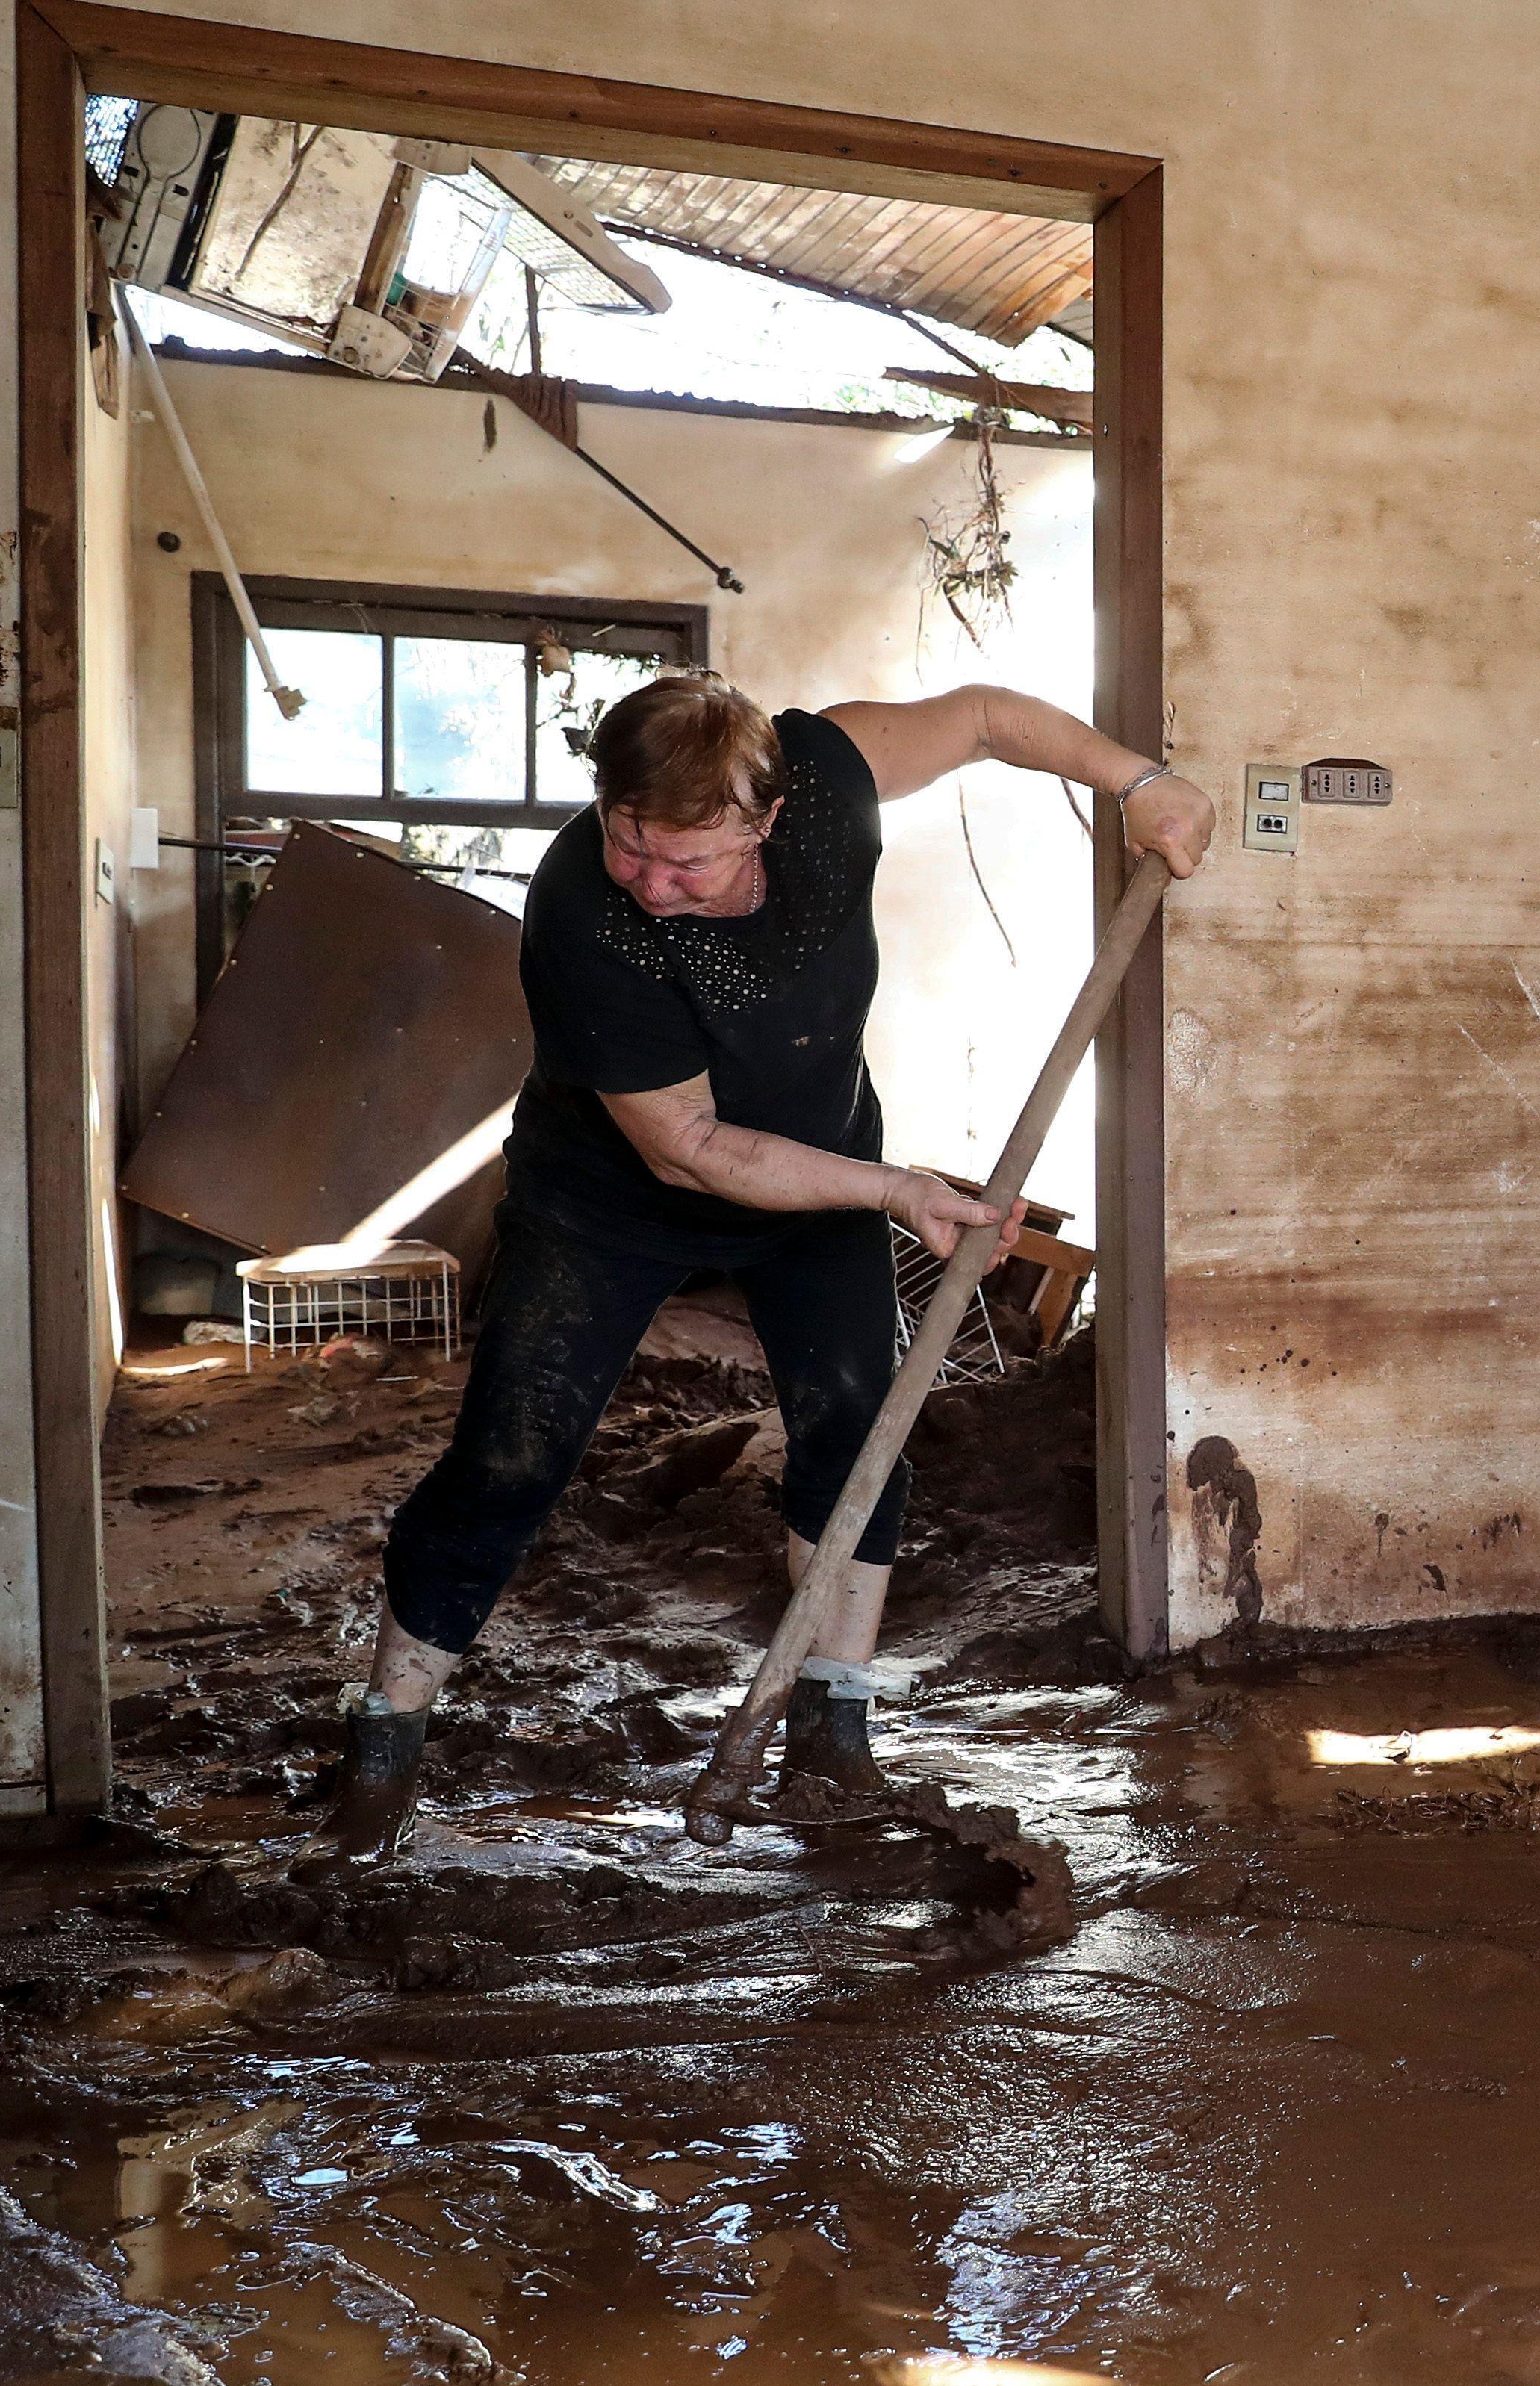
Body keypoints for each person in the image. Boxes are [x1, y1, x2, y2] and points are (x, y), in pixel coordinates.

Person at [314, 671, 1217, 1863]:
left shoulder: (826, 777)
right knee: (511, 1456)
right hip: (609, 1202)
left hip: (814, 1181)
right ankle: (386, 1742)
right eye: (630, 841)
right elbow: (687, 1151)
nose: (649, 879)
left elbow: (988, 720)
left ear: (767, 818)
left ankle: (831, 1739)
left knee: (862, 1431)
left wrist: (1138, 783)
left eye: (686, 861)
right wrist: (899, 1191)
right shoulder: (585, 912)